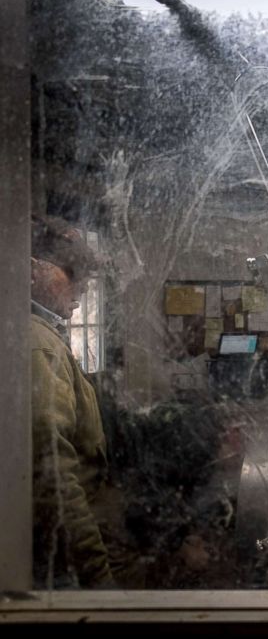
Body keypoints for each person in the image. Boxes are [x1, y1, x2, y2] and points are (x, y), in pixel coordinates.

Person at [30, 213, 114, 588]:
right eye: (70, 271)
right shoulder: (37, 343)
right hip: (57, 563)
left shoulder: (41, 334)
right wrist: (96, 576)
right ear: (31, 269)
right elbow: (54, 477)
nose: (81, 286)